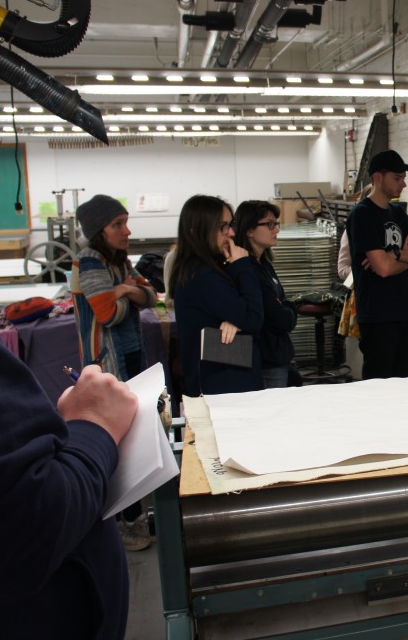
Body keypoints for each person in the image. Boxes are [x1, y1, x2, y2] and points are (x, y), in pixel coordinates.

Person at [0, 98, 139, 638]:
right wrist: (91, 428)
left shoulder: (116, 263)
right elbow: (24, 528)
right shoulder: (92, 264)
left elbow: (143, 295)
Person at [71, 194, 157, 551]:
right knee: (117, 443)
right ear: (99, 231)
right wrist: (128, 294)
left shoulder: (119, 261)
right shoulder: (91, 261)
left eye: (125, 222)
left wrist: (125, 290)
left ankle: (134, 515)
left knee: (133, 439)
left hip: (130, 356)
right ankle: (124, 523)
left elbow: (152, 296)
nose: (126, 230)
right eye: (117, 224)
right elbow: (107, 314)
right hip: (107, 364)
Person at [169, 195, 264, 396]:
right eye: (223, 227)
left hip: (224, 381)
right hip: (221, 386)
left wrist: (236, 320)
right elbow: (253, 316)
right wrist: (243, 266)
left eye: (231, 225)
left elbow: (245, 312)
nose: (231, 233)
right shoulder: (202, 276)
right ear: (197, 229)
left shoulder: (206, 268)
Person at [346, 150, 408, 379]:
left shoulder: (398, 213)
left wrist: (395, 255)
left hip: (403, 312)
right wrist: (405, 256)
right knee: (379, 385)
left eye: (404, 178)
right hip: (377, 315)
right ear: (378, 177)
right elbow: (383, 270)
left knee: (401, 382)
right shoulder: (362, 214)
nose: (403, 184)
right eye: (397, 178)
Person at [233, 200, 298, 388]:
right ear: (249, 230)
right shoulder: (248, 270)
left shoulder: (264, 264)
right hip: (266, 360)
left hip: (277, 355)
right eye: (270, 224)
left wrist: (286, 305)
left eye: (276, 224)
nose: (276, 229)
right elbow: (280, 319)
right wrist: (287, 307)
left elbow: (283, 305)